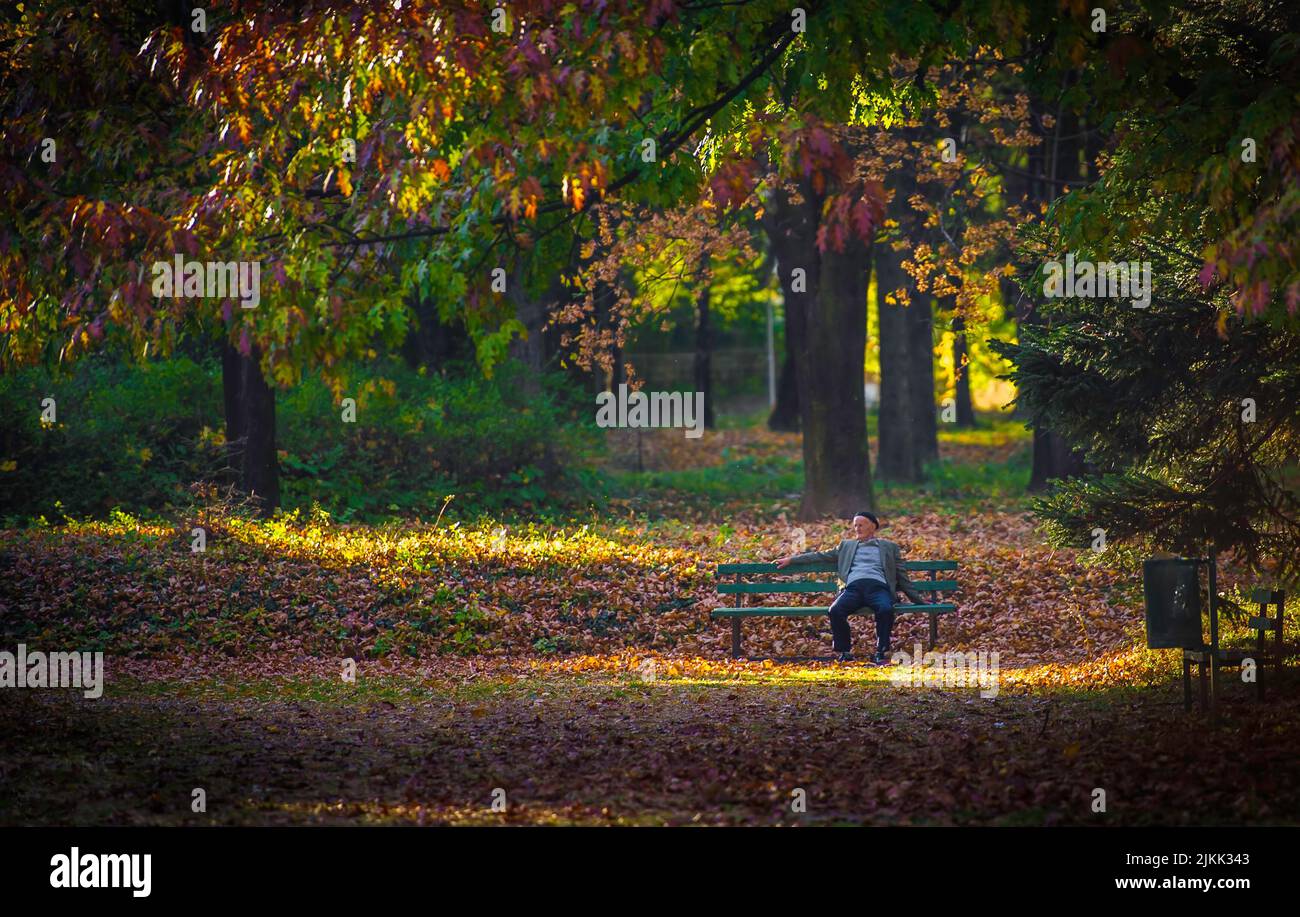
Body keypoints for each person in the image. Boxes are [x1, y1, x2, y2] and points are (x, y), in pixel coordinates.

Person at [774, 511, 924, 663]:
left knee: (885, 609)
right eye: (855, 525)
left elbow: (902, 575)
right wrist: (791, 560)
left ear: (872, 526)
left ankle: (881, 651)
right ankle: (845, 651)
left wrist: (918, 600)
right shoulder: (846, 546)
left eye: (861, 525)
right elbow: (819, 556)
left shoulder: (889, 547)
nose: (857, 528)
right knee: (835, 610)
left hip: (878, 587)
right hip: (854, 588)